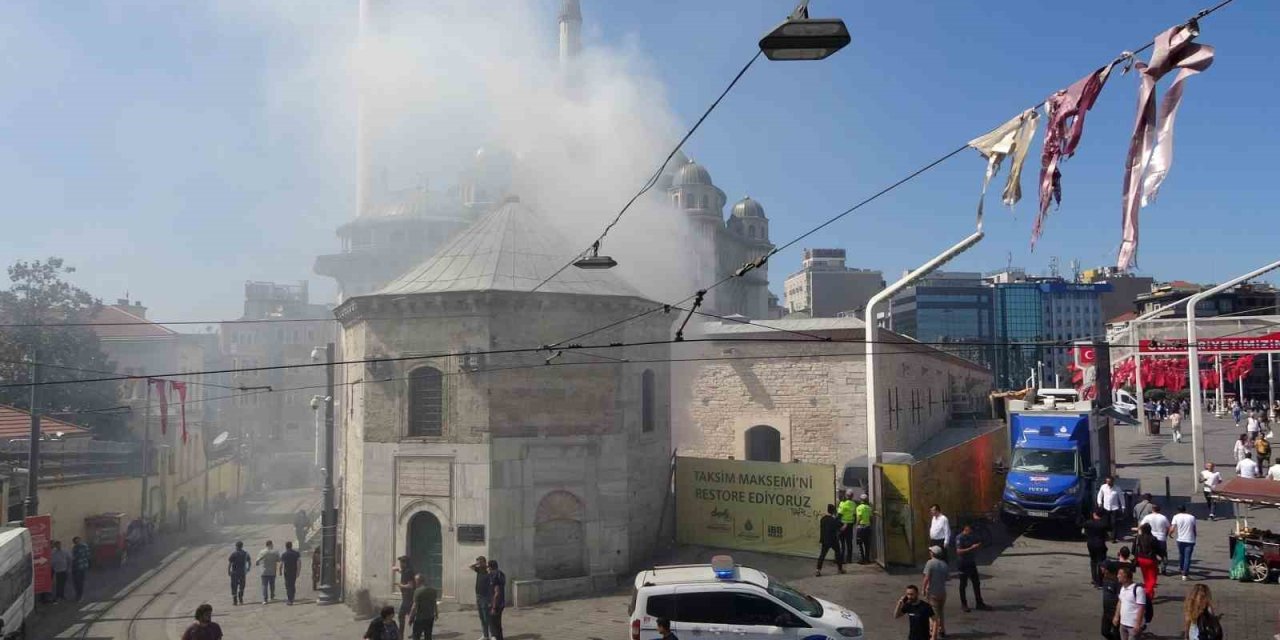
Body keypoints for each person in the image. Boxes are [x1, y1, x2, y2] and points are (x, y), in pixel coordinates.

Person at [954, 524, 988, 612]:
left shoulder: (971, 536)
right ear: (965, 529)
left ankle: (979, 603)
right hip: (963, 563)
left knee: (976, 583)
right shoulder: (960, 538)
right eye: (969, 531)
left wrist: (978, 545)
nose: (971, 533)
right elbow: (958, 551)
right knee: (963, 584)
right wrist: (970, 548)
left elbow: (977, 542)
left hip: (971, 562)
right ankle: (964, 604)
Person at [921, 545, 948, 637]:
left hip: (933, 592)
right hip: (942, 592)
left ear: (933, 554)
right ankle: (942, 629)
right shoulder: (944, 564)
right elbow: (947, 578)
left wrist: (923, 589)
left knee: (933, 614)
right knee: (941, 612)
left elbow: (926, 578)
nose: (929, 552)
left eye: (931, 551)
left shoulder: (930, 563)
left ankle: (933, 633)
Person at [1113, 567, 1146, 640]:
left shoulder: (1138, 589)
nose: (1118, 576)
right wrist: (1116, 616)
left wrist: (1137, 624)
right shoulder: (1123, 588)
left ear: (1126, 576)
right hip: (1123, 623)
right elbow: (1120, 602)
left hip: (1133, 625)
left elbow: (1141, 607)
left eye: (1120, 574)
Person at [1139, 504, 1171, 575]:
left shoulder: (1147, 517)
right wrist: (1166, 535)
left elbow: (1141, 526)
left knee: (1152, 554)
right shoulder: (1163, 518)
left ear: (1152, 510)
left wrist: (1142, 535)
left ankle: (1154, 568)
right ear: (1159, 510)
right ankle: (1163, 569)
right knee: (1163, 555)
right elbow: (1169, 528)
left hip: (1151, 538)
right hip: (1161, 538)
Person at [1083, 509, 1110, 588]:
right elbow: (1109, 529)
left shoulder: (1089, 523)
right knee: (1101, 562)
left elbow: (1082, 525)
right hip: (1100, 544)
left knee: (1093, 561)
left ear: (1094, 514)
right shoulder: (1103, 524)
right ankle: (1100, 581)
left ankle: (1094, 579)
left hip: (1090, 544)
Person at [1133, 524, 1160, 601]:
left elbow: (1134, 548)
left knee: (1146, 576)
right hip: (1150, 559)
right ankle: (1148, 593)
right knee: (1152, 577)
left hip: (1141, 559)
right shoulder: (1153, 538)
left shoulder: (1139, 538)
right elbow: (1157, 549)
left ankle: (1150, 592)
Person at [1170, 504, 1197, 581]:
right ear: (1185, 509)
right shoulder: (1192, 517)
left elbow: (1172, 528)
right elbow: (1194, 529)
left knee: (1181, 555)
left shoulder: (1176, 517)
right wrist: (1195, 536)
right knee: (1187, 557)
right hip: (1190, 540)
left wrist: (1169, 534)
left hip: (1180, 539)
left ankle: (1182, 568)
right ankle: (1185, 574)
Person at [407, 574, 438, 640]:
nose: (415, 582)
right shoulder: (433, 590)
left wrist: (410, 618)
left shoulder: (418, 591)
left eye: (415, 581)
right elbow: (434, 603)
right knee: (428, 636)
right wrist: (436, 613)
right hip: (430, 617)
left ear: (418, 581)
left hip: (420, 618)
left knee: (416, 636)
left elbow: (414, 606)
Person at [816, 504, 843, 576]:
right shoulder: (833, 520)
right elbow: (839, 527)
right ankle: (840, 569)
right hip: (833, 540)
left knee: (822, 555)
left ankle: (818, 570)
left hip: (825, 539)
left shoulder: (823, 519)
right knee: (838, 553)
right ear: (834, 511)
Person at [1096, 477, 1125, 542]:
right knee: (1105, 523)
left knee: (1114, 523)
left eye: (1109, 482)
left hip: (1114, 508)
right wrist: (1099, 503)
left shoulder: (1117, 488)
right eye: (1107, 482)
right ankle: (1104, 536)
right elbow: (1099, 495)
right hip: (1106, 508)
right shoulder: (1103, 487)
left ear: (1112, 482)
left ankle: (1113, 538)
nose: (1108, 483)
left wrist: (1123, 507)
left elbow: (1121, 498)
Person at [393, 555, 417, 633]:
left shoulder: (408, 572)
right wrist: (397, 570)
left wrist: (400, 585)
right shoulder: (406, 570)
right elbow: (402, 572)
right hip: (406, 596)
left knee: (401, 615)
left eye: (401, 563)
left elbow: (410, 585)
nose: (400, 564)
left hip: (408, 596)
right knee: (411, 614)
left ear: (405, 563)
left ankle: (401, 632)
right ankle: (416, 631)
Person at [470, 556, 492, 640]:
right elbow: (471, 567)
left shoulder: (487, 571)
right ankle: (485, 635)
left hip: (485, 597)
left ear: (484, 562)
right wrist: (477, 563)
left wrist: (490, 599)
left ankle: (492, 635)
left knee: (487, 617)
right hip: (478, 596)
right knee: (481, 617)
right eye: (478, 562)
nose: (478, 564)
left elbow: (490, 586)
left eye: (480, 562)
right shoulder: (479, 570)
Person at [256, 540, 281, 604]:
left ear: (266, 545)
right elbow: (279, 560)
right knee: (272, 585)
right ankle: (272, 596)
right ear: (271, 544)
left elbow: (257, 561)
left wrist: (258, 563)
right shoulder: (275, 552)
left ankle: (265, 599)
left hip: (264, 571)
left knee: (264, 585)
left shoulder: (262, 552)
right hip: (272, 571)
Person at [488, 559, 507, 640]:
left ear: (490, 567)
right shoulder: (501, 574)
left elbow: (496, 593)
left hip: (495, 603)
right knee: (498, 623)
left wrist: (493, 607)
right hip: (501, 602)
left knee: (493, 622)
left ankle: (495, 637)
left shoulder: (494, 575)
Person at [836, 490, 856, 564]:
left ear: (846, 496)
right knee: (849, 542)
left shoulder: (842, 504)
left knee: (842, 542)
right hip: (850, 525)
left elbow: (839, 515)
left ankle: (841, 559)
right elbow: (854, 515)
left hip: (842, 524)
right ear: (852, 496)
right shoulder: (854, 504)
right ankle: (849, 559)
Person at [228, 541, 250, 605]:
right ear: (242, 546)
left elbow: (230, 563)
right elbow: (249, 562)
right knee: (242, 585)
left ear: (236, 546)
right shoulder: (245, 553)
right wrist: (248, 568)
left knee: (234, 586)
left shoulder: (234, 554)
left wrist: (228, 571)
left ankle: (235, 601)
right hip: (242, 572)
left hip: (234, 572)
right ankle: (240, 598)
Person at [281, 541, 301, 605]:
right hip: (294, 571)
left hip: (287, 572)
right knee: (292, 584)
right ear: (291, 546)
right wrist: (298, 571)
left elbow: (281, 564)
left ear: (286, 546)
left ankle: (290, 599)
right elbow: (299, 563)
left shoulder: (284, 554)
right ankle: (292, 597)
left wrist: (279, 571)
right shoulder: (296, 553)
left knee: (288, 585)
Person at [854, 494, 873, 564]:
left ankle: (862, 559)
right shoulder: (869, 508)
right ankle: (867, 559)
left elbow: (859, 517)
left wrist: (856, 525)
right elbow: (871, 518)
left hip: (861, 527)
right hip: (868, 527)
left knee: (860, 544)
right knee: (867, 544)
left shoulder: (859, 507)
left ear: (861, 500)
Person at [71, 536, 90, 602]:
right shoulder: (74, 547)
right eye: (75, 541)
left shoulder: (84, 546)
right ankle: (78, 595)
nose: (77, 542)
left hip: (81, 567)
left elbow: (87, 555)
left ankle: (80, 596)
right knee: (76, 582)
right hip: (75, 567)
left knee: (79, 582)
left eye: (77, 540)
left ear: (80, 540)